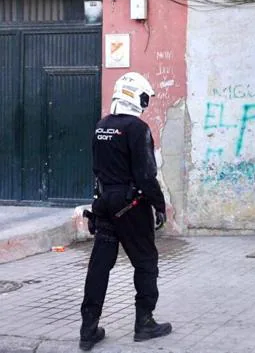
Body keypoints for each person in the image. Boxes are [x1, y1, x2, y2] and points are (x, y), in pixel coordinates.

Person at [79, 72, 171, 351]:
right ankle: (144, 323)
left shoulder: (101, 126)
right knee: (145, 262)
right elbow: (145, 174)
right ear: (134, 96)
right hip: (131, 206)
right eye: (145, 97)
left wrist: (98, 203)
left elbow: (97, 170)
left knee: (99, 266)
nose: (146, 103)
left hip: (105, 203)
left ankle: (88, 329)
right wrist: (159, 205)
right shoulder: (137, 128)